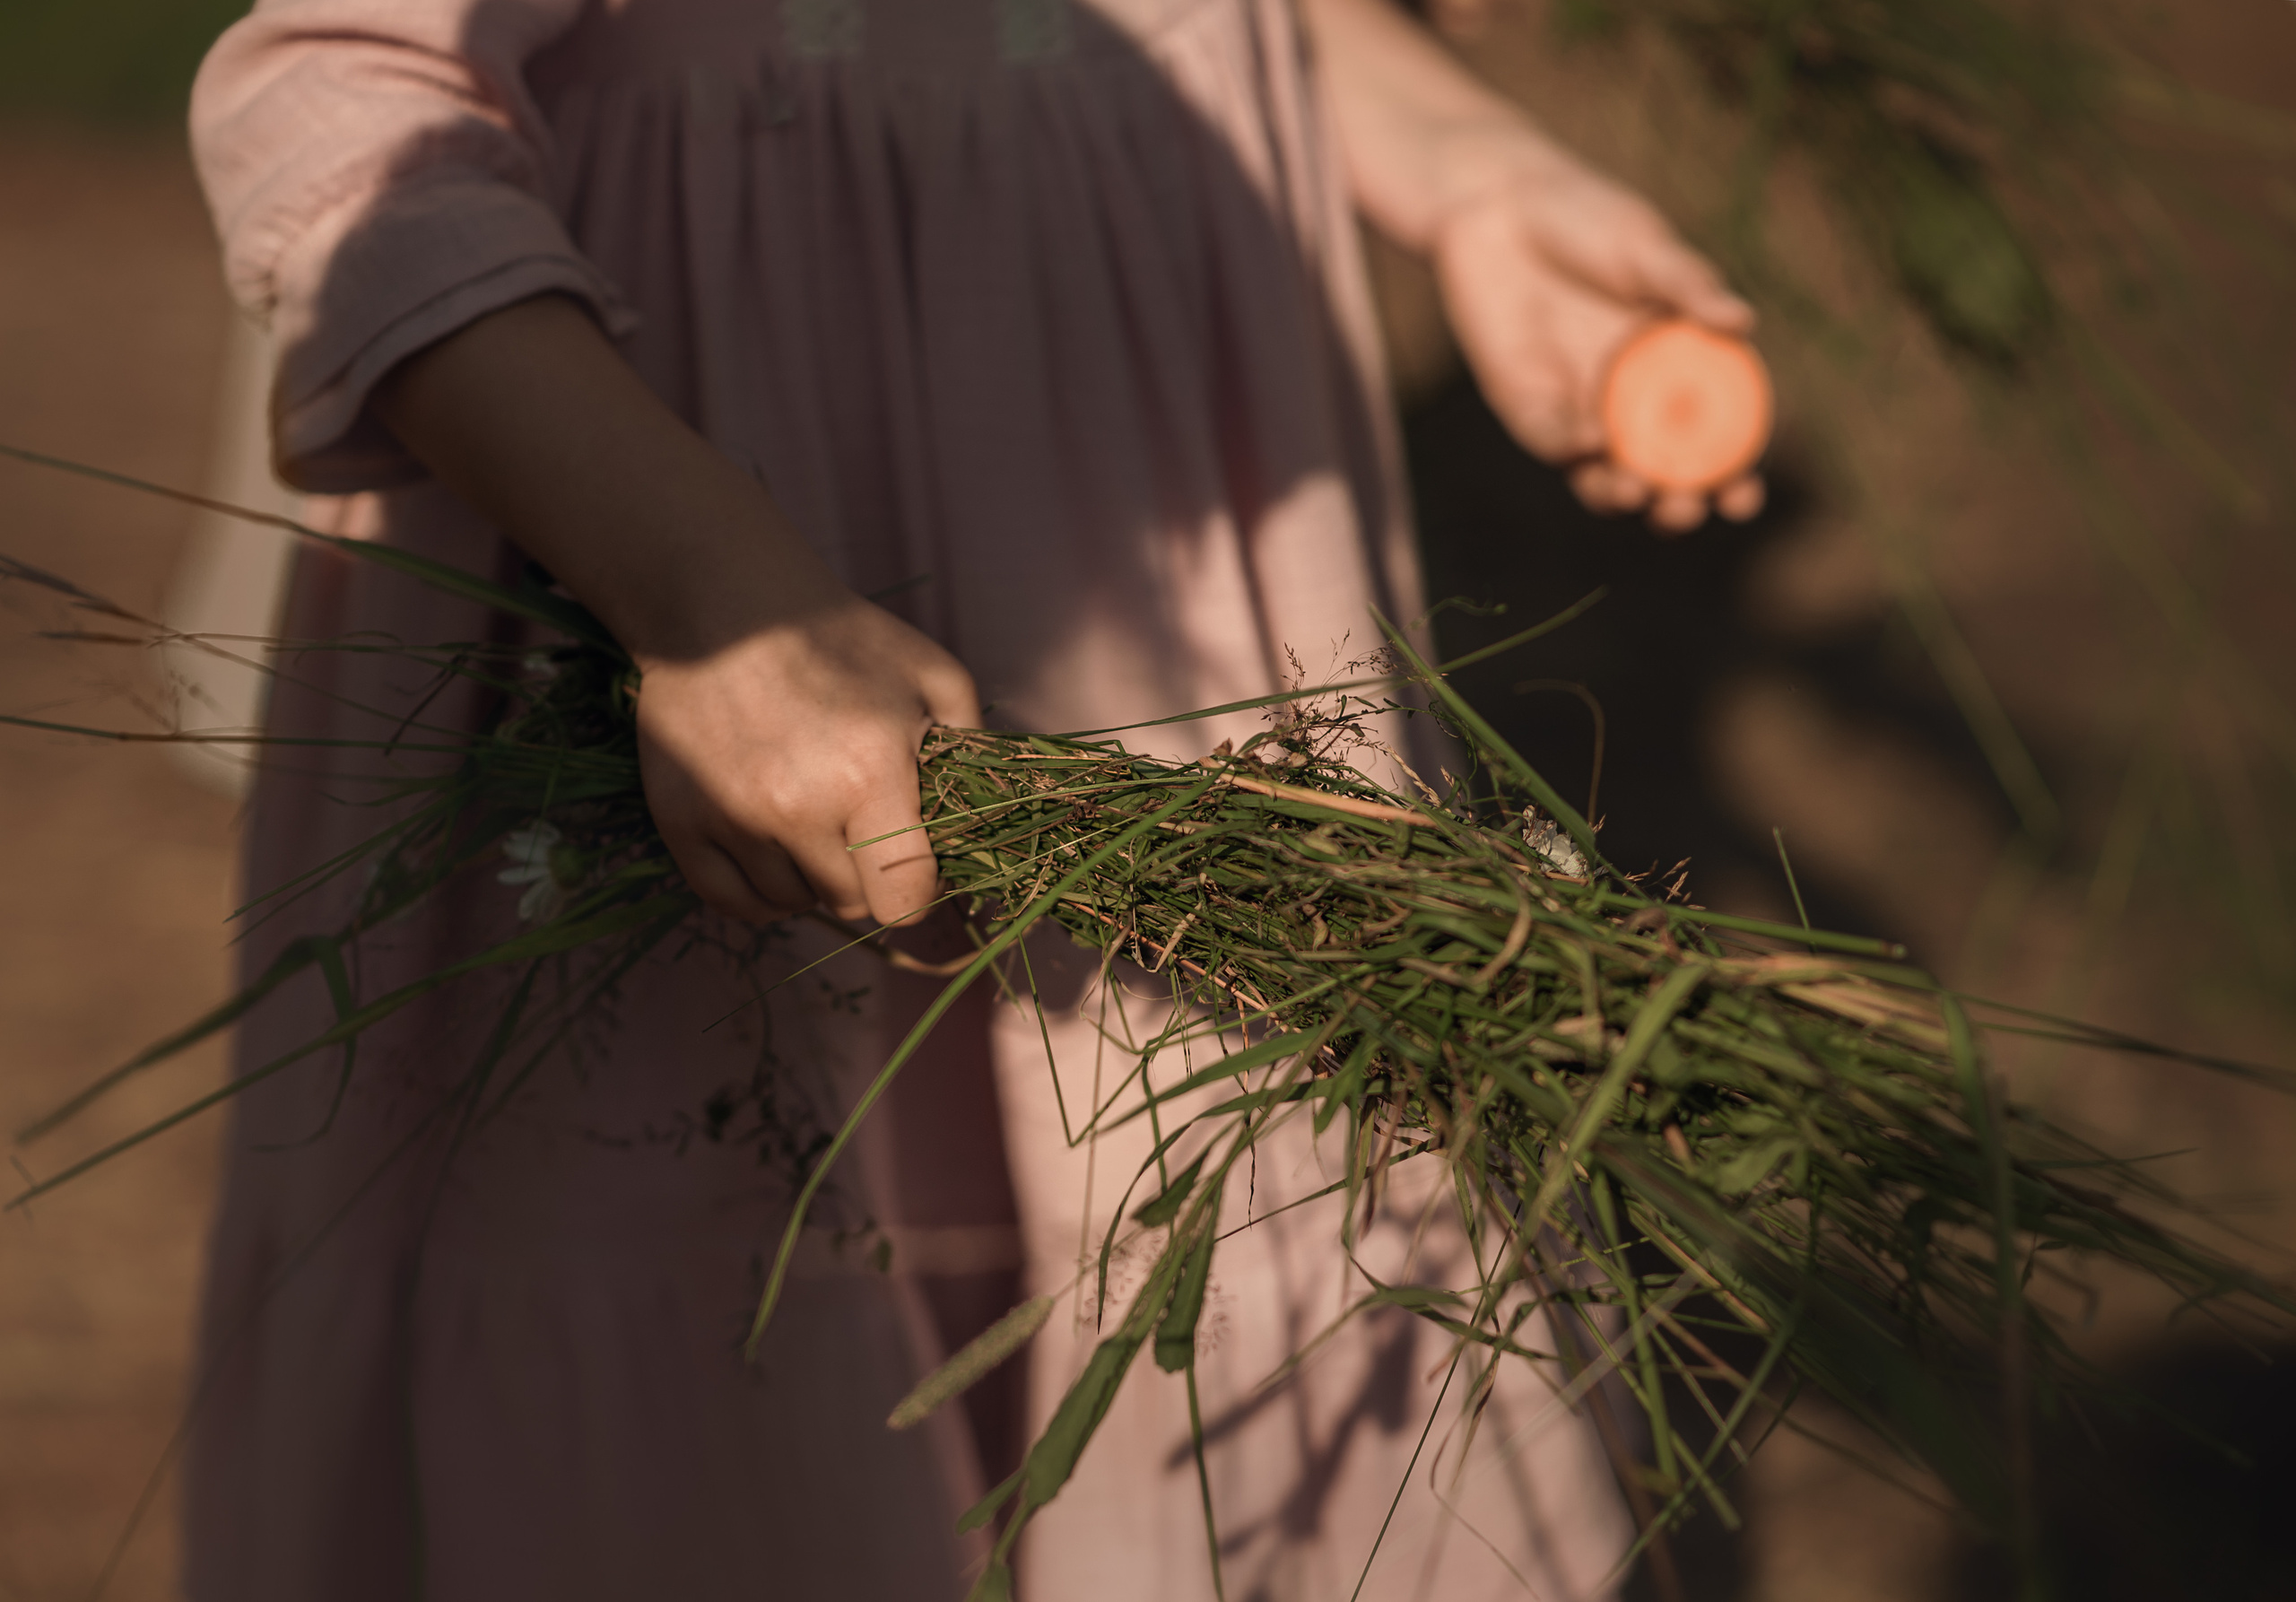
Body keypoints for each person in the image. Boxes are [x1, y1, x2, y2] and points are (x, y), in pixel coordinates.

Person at [185, 2, 1761, 1598]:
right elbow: (342, 99)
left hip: (1186, 628)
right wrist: (705, 601)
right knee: (736, 1321)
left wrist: (1473, 172)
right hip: (672, 564)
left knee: (1225, 1206)